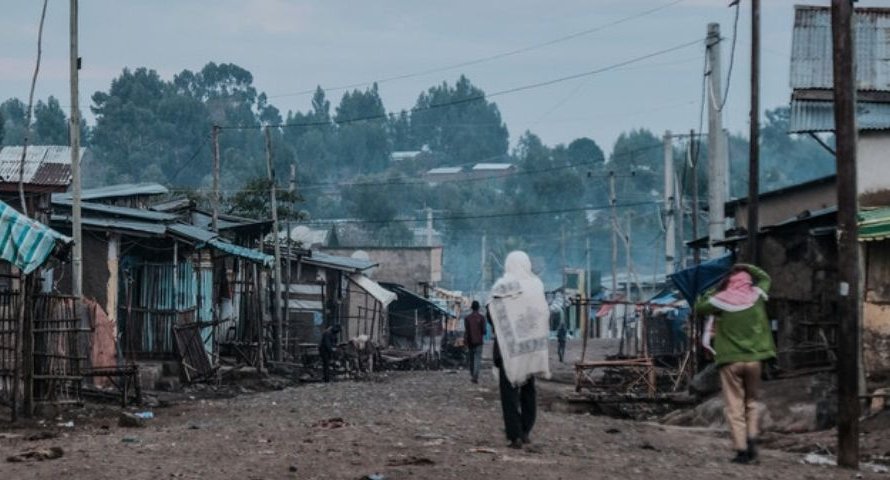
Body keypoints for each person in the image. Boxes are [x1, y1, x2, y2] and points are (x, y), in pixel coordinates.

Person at [696, 263, 775, 464]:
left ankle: (741, 451)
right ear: (748, 281)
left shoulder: (720, 301)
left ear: (729, 282)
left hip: (730, 361)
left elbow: (699, 306)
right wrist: (747, 266)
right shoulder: (757, 295)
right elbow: (765, 277)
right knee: (751, 403)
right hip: (754, 360)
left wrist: (716, 290)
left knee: (734, 406)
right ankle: (752, 439)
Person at [487, 251, 550, 449]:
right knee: (529, 392)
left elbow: (492, 316)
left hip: (508, 352)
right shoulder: (536, 286)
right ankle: (526, 431)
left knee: (509, 395)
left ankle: (514, 436)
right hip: (530, 349)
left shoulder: (501, 287)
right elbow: (542, 314)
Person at [464, 300, 486, 383]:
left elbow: (466, 330)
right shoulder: (482, 318)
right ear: (478, 308)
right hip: (479, 341)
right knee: (477, 359)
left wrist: (465, 340)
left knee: (471, 359)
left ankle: (472, 375)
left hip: (470, 341)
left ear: (471, 308)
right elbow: (484, 331)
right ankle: (475, 376)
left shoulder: (467, 318)